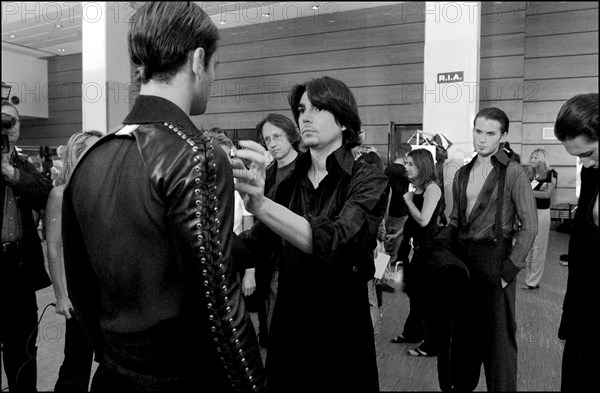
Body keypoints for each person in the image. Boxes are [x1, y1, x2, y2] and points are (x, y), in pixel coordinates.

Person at [61, 3, 265, 391]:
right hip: (182, 378)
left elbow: (82, 292)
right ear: (198, 59)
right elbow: (221, 306)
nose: (214, 79)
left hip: (112, 376)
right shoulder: (198, 155)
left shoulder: (91, 157)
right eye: (216, 67)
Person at [233, 76, 388, 391]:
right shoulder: (287, 184)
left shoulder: (368, 179)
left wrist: (261, 206)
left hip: (342, 327)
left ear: (344, 120)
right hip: (291, 325)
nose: (305, 116)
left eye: (318, 108)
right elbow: (254, 247)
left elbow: (336, 240)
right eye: (302, 109)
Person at [434, 107, 537, 391]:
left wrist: (509, 271)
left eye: (490, 133)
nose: (482, 139)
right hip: (465, 262)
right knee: (464, 338)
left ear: (503, 136)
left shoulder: (513, 172)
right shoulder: (464, 172)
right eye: (478, 131)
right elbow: (455, 221)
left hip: (496, 261)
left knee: (499, 345)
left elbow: (530, 226)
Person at [1, 100, 53, 391]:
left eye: (12, 121)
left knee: (22, 353)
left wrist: (13, 174)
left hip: (18, 275)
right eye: (2, 122)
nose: (7, 127)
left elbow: (44, 194)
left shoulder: (23, 166)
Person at [45, 130, 103, 391]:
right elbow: (54, 247)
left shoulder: (110, 192)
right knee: (76, 365)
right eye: (90, 151)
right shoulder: (61, 194)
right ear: (75, 155)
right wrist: (61, 295)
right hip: (81, 294)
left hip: (111, 292)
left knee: (113, 365)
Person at [554, 93, 599, 393]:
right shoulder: (592, 171)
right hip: (586, 307)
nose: (584, 162)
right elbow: (581, 246)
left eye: (589, 152)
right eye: (578, 156)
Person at [253, 113, 302, 347]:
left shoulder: (306, 168)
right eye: (267, 139)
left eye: (277, 136)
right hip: (268, 257)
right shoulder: (267, 172)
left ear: (290, 136)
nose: (272, 143)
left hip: (297, 258)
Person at [391, 148, 443, 358]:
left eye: (410, 164)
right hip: (413, 247)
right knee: (414, 293)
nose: (406, 168)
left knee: (427, 297)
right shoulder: (418, 188)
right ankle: (413, 332)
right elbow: (413, 221)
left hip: (427, 249)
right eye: (406, 164)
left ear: (422, 165)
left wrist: (409, 201)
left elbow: (423, 219)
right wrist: (397, 235)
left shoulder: (432, 189)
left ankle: (432, 344)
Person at [522, 148, 557, 290]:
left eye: (535, 157)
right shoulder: (532, 175)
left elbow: (546, 194)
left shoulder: (550, 174)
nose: (531, 158)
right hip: (529, 213)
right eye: (531, 156)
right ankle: (530, 278)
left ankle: (533, 282)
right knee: (530, 248)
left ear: (542, 159)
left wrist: (528, 191)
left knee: (539, 248)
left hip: (542, 214)